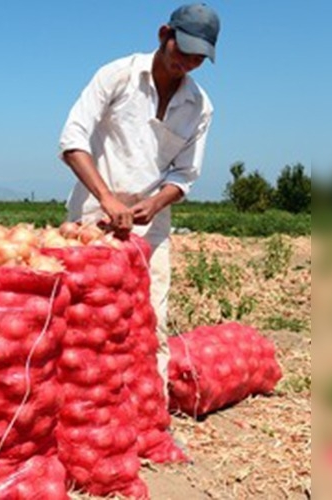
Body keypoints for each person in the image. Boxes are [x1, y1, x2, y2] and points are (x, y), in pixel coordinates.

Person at [58, 3, 219, 392]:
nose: (187, 63)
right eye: (183, 51)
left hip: (151, 228)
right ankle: (83, 405)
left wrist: (157, 203)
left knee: (151, 320)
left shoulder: (199, 107)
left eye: (198, 58)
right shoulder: (118, 76)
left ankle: (151, 412)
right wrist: (107, 198)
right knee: (84, 322)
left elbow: (185, 174)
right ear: (164, 34)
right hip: (91, 219)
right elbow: (72, 140)